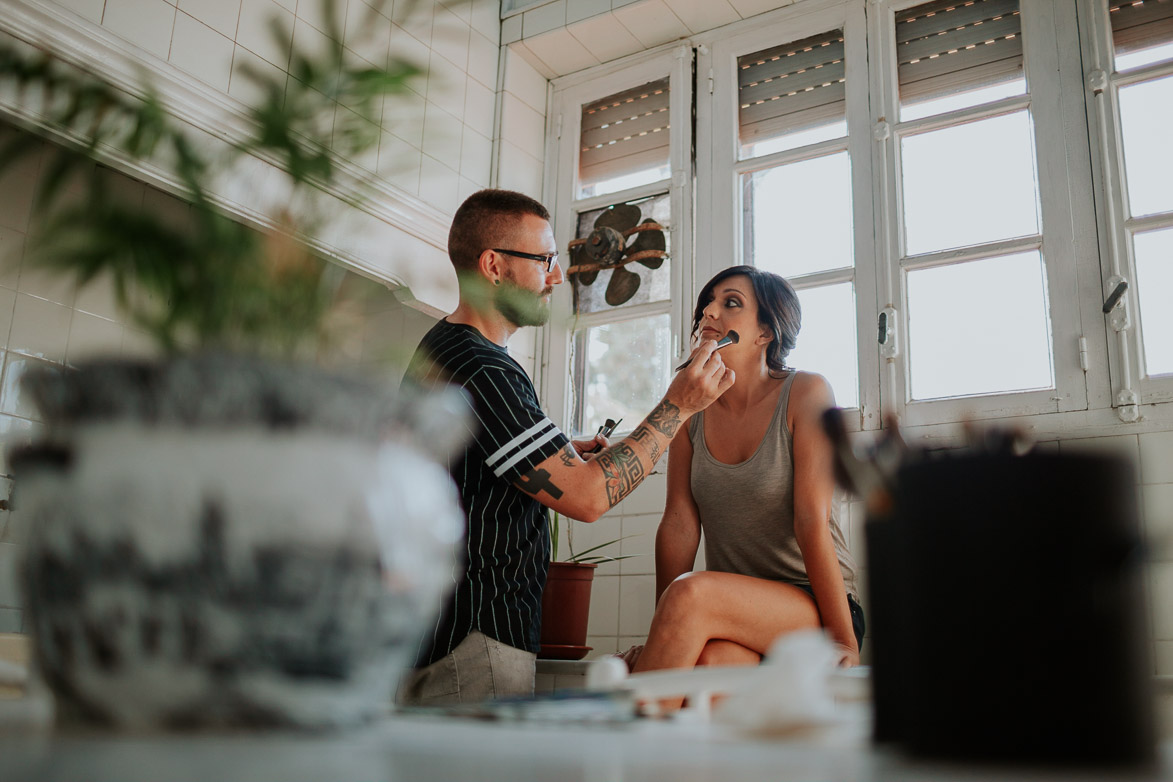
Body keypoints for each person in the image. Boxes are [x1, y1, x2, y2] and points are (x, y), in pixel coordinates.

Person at [399, 189, 734, 705]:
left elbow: (475, 471)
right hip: (474, 640)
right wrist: (679, 407)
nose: (557, 278)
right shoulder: (483, 368)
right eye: (545, 261)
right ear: (493, 265)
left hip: (446, 635)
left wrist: (560, 449)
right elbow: (587, 499)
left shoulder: (448, 350)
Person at [624, 265, 863, 701]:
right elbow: (679, 521)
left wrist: (844, 639)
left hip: (813, 604)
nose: (710, 311)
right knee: (707, 670)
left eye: (731, 303)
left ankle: (614, 758)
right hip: (729, 611)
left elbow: (812, 519)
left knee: (691, 592)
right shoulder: (687, 403)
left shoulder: (806, 393)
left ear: (765, 334)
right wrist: (665, 632)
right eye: (707, 303)